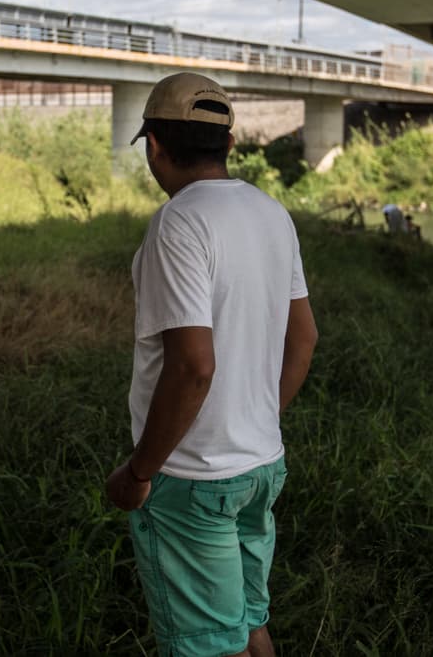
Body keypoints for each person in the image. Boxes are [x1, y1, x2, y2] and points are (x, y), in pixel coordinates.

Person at [105, 72, 318, 657]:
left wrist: (139, 471)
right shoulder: (271, 212)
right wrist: (256, 417)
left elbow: (194, 366)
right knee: (249, 623)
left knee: (206, 646)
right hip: (260, 467)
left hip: (194, 479)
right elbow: (304, 338)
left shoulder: (178, 224)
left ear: (153, 146)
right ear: (228, 144)